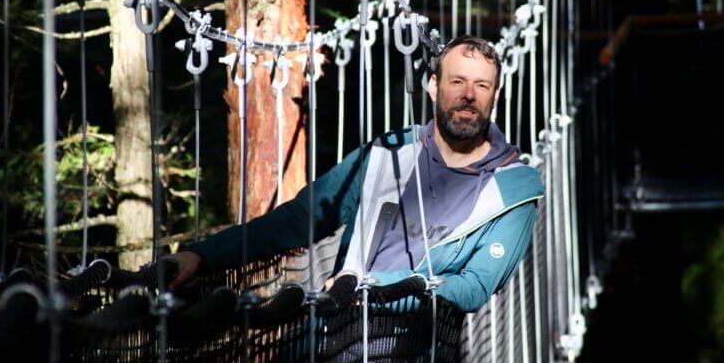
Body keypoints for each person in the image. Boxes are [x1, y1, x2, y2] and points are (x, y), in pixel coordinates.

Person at [167, 35, 543, 313]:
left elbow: (474, 286)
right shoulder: (388, 153)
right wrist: (203, 256)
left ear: (495, 94)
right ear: (433, 86)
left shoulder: (515, 188)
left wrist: (369, 287)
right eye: (457, 81)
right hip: (328, 340)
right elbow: (302, 218)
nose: (469, 95)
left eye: (482, 85)